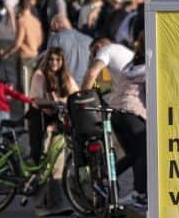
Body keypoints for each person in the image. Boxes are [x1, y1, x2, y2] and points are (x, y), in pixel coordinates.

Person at [85, 37, 146, 205]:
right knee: (143, 152)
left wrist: (83, 98)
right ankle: (140, 194)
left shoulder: (111, 53)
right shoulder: (130, 58)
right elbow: (92, 72)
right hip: (131, 111)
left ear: (98, 46)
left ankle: (105, 179)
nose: (93, 58)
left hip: (118, 111)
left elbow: (92, 73)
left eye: (92, 54)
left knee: (134, 154)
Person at [28, 47, 79, 165]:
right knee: (41, 153)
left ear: (62, 61)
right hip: (41, 116)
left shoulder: (66, 78)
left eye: (58, 59)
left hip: (59, 118)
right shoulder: (40, 75)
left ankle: (57, 180)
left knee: (58, 153)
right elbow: (36, 99)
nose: (54, 62)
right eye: (51, 59)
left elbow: (76, 93)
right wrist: (54, 104)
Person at [0, 61, 31, 145]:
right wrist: (30, 100)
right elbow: (16, 95)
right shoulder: (1, 86)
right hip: (5, 114)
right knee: (0, 139)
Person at [46, 14, 91, 87]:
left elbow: (50, 65)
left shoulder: (57, 38)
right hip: (87, 86)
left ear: (57, 25)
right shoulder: (89, 40)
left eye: (53, 30)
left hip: (66, 86)